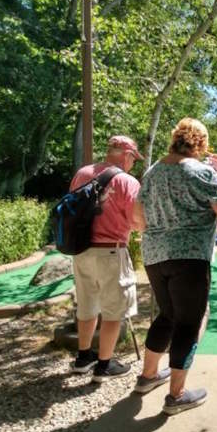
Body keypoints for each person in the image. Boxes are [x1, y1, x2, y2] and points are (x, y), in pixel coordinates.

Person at [132, 117, 217, 416]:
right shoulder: (199, 171)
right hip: (189, 257)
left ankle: (148, 376)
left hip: (154, 256)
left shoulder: (152, 172)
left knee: (167, 315)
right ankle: (176, 396)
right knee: (188, 324)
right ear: (200, 144)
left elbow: (137, 218)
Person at [69, 135, 144, 382]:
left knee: (86, 303)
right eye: (134, 157)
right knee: (114, 310)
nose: (133, 162)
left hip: (81, 250)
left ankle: (83, 357)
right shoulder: (127, 181)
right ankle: (104, 365)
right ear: (126, 154)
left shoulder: (82, 174)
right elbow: (136, 220)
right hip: (111, 250)